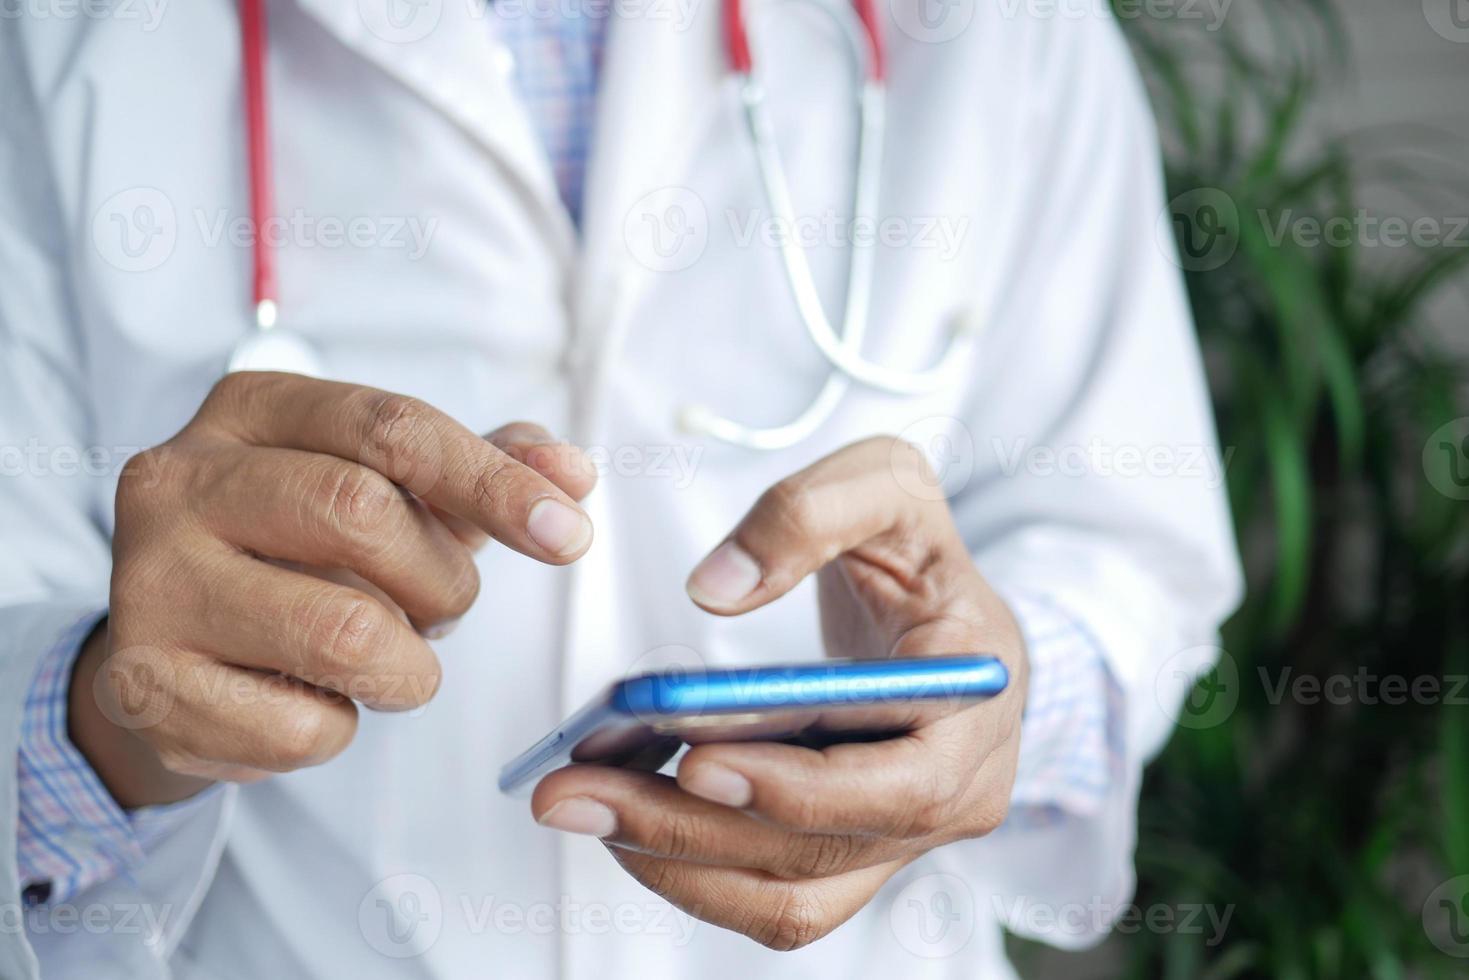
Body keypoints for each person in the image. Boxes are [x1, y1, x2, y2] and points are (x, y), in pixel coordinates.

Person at [0, 1, 1242, 976]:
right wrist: (113, 713)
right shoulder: (60, 32)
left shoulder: (1009, 30)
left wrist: (995, 703)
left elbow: (1130, 546)